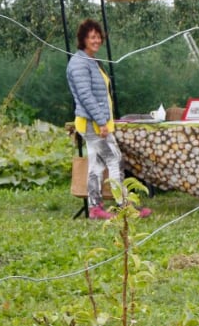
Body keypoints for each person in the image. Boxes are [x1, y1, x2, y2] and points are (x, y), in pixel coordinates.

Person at [65, 19, 151, 221]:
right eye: (92, 37)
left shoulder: (91, 61)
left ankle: (95, 208)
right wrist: (102, 122)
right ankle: (123, 205)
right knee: (115, 159)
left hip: (97, 122)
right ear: (83, 39)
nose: (96, 40)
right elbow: (86, 96)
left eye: (98, 37)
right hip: (93, 123)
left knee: (96, 165)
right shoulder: (79, 63)